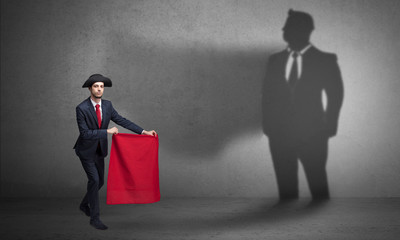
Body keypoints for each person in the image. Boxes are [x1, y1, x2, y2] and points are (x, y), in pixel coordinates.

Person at [262, 10, 344, 201]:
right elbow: (267, 95)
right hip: (279, 134)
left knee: (318, 186)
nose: (283, 30)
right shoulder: (274, 60)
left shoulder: (325, 60)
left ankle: (322, 222)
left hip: (313, 132)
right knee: (286, 190)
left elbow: (335, 94)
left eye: (288, 26)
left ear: (305, 30)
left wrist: (330, 125)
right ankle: (285, 227)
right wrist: (268, 126)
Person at [73, 74, 157, 230]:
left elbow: (121, 120)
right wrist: (107, 131)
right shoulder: (81, 108)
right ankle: (95, 218)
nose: (99, 89)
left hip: (100, 150)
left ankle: (84, 205)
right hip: (86, 151)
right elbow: (85, 133)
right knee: (95, 181)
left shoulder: (107, 105)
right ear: (90, 88)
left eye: (101, 86)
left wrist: (143, 131)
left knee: (100, 182)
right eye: (96, 86)